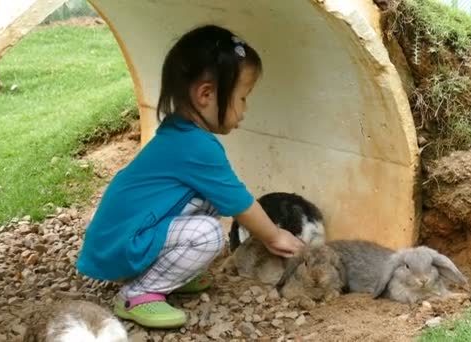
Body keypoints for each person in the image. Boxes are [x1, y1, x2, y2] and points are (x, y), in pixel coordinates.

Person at [76, 24, 304, 329]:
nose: (245, 110)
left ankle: (167, 274)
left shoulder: (178, 132)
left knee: (209, 204)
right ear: (206, 94)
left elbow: (225, 198)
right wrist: (275, 236)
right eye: (243, 98)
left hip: (118, 240)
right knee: (208, 235)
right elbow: (240, 202)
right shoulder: (196, 146)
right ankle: (138, 293)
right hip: (120, 250)